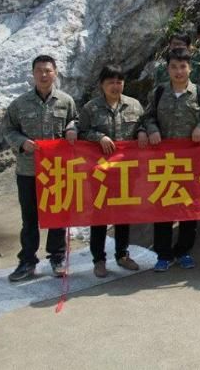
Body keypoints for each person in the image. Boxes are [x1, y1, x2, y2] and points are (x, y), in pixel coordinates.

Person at [144, 48, 200, 272]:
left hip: (191, 163)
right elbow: (147, 117)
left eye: (182, 67)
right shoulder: (159, 92)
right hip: (164, 162)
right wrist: (152, 129)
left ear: (190, 69)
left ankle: (184, 251)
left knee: (189, 207)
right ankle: (163, 254)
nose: (178, 71)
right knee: (163, 207)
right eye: (174, 67)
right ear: (167, 69)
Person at [4, 55, 78, 282]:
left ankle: (57, 258)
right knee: (29, 219)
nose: (44, 75)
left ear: (55, 73)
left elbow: (75, 120)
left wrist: (72, 128)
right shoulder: (19, 104)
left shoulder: (66, 101)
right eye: (39, 71)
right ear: (33, 74)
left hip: (57, 170)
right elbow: (9, 130)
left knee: (57, 216)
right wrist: (21, 143)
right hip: (29, 170)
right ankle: (27, 261)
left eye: (48, 70)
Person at [76, 64, 146, 277]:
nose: (115, 86)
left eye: (119, 82)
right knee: (99, 215)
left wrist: (143, 131)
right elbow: (81, 132)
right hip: (100, 172)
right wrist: (99, 137)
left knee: (123, 213)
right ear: (102, 85)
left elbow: (144, 124)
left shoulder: (134, 105)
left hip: (126, 172)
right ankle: (99, 259)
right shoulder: (91, 108)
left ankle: (122, 254)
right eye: (110, 82)